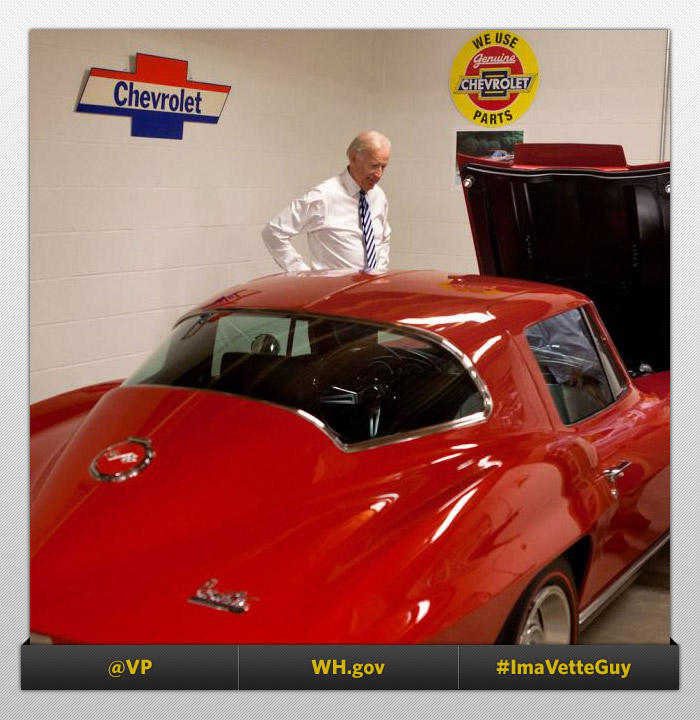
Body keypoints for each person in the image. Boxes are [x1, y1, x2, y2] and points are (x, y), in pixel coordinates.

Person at [262, 131, 391, 272]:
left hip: (372, 290)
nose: (379, 174)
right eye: (374, 165)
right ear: (353, 158)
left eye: (383, 167)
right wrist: (302, 274)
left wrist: (379, 272)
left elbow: (383, 239)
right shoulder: (323, 196)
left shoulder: (378, 196)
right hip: (334, 290)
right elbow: (273, 232)